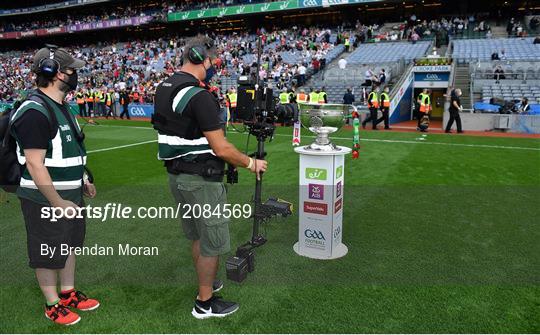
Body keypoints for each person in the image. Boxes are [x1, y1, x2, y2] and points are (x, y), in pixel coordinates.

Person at [152, 36, 267, 319]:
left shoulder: (164, 87)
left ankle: (208, 283)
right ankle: (205, 303)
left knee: (198, 237)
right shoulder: (198, 95)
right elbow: (221, 148)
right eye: (211, 60)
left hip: (177, 176)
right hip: (200, 178)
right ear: (199, 58)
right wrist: (252, 163)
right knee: (212, 243)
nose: (213, 65)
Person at [10, 46, 99, 326]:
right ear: (55, 73)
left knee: (70, 244)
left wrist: (83, 179)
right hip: (44, 198)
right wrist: (57, 202)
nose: (75, 74)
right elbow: (36, 164)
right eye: (71, 70)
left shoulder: (63, 107)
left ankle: (68, 293)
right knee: (48, 251)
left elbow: (70, 148)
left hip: (70, 193)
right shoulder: (34, 111)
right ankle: (52, 304)